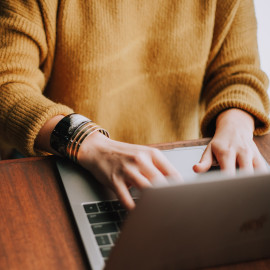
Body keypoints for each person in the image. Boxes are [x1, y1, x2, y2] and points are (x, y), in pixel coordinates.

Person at [0, 0, 269, 210]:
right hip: (71, 167)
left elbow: (239, 72)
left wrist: (236, 125)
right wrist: (88, 143)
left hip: (183, 171)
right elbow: (8, 84)